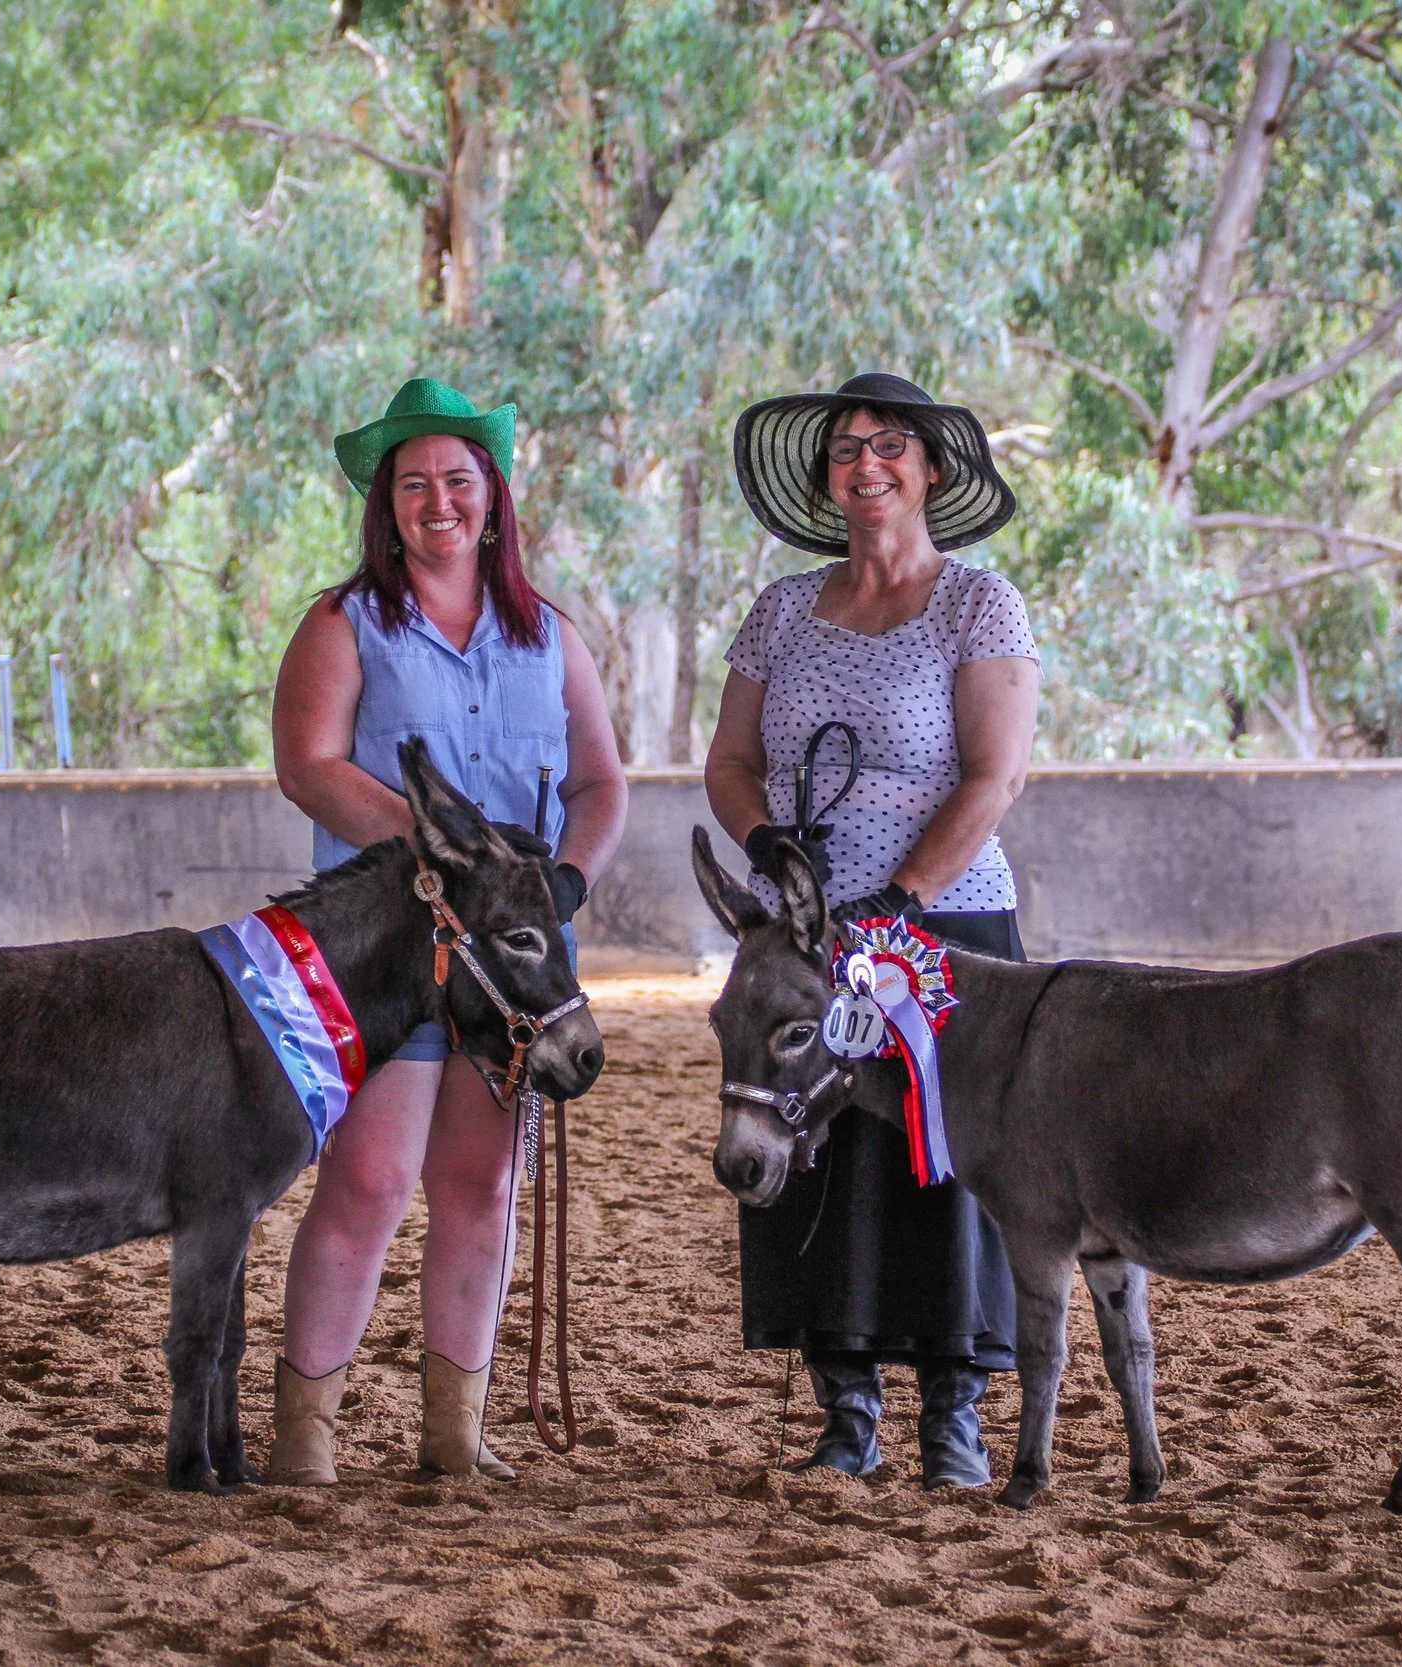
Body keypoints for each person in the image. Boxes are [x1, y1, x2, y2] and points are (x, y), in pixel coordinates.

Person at [267, 377, 627, 1484]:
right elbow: (309, 764)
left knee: (480, 1184)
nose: (439, 502)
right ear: (386, 506)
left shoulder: (547, 633)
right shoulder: (343, 622)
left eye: (458, 481)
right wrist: (442, 855)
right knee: (369, 1179)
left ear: (492, 498)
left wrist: (558, 883)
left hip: (506, 969)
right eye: (415, 483)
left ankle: (453, 1437)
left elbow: (603, 781)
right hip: (388, 953)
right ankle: (305, 1439)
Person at [705, 371, 1040, 1488]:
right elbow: (730, 762)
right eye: (845, 449)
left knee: (946, 1159)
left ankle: (956, 1420)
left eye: (887, 446)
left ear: (931, 467)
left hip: (940, 926)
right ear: (828, 478)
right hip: (799, 926)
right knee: (818, 1153)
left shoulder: (977, 603)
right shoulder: (781, 610)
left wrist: (896, 901)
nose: (866, 465)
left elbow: (994, 778)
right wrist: (766, 848)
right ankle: (844, 1413)